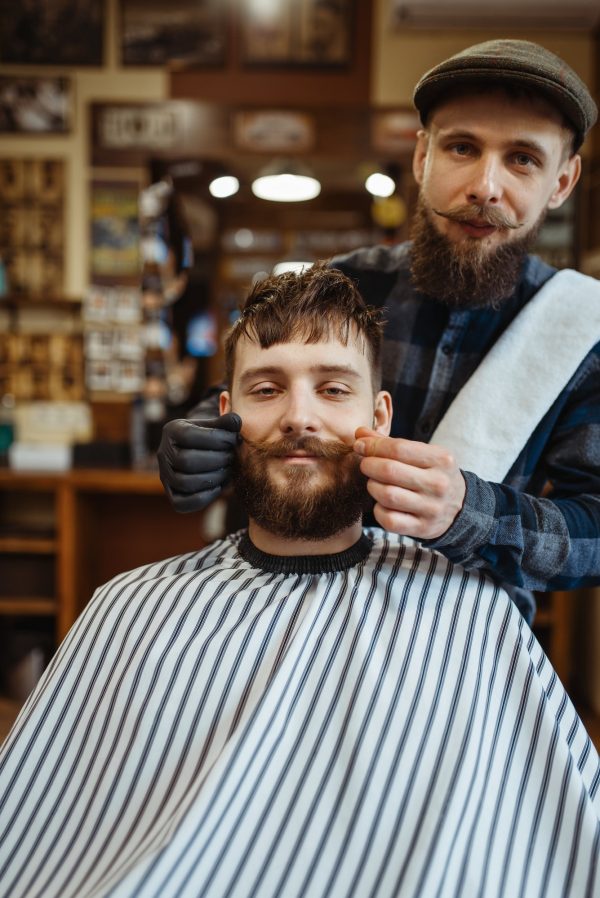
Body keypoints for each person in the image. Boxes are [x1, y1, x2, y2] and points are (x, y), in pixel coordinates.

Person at [0, 265, 598, 898]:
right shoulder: (126, 609)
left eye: (334, 389)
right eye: (266, 389)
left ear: (381, 415)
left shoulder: (474, 613)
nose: (299, 417)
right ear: (224, 416)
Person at [157, 39, 600, 624]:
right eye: (462, 147)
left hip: (459, 638)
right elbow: (247, 405)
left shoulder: (581, 330)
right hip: (287, 612)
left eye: (523, 158)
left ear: (562, 182)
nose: (486, 187)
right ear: (422, 158)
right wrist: (198, 444)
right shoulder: (340, 288)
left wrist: (473, 513)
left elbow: (593, 534)